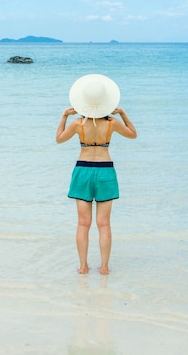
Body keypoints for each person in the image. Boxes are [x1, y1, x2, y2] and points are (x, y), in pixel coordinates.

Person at [56, 74, 137, 275]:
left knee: (83, 223)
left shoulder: (77, 124)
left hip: (83, 170)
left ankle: (83, 267)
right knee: (104, 224)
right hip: (105, 170)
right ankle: (104, 267)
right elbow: (133, 134)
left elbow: (58, 139)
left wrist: (64, 116)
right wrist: (124, 113)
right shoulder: (112, 123)